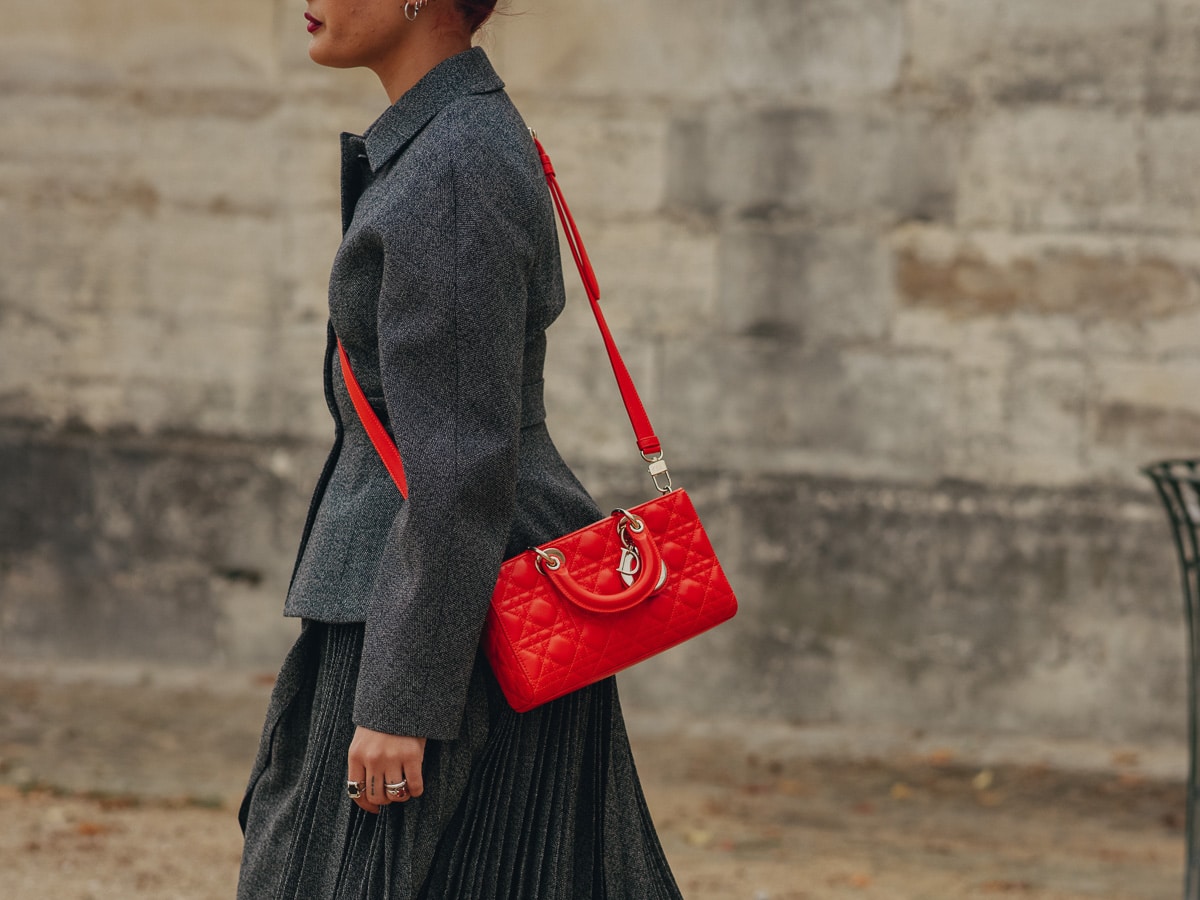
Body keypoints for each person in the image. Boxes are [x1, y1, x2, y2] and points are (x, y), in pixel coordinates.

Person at [236, 1, 685, 897]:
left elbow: (459, 464)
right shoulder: (450, 141)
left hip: (448, 625)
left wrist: (403, 700)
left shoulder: (451, 165)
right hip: (449, 606)